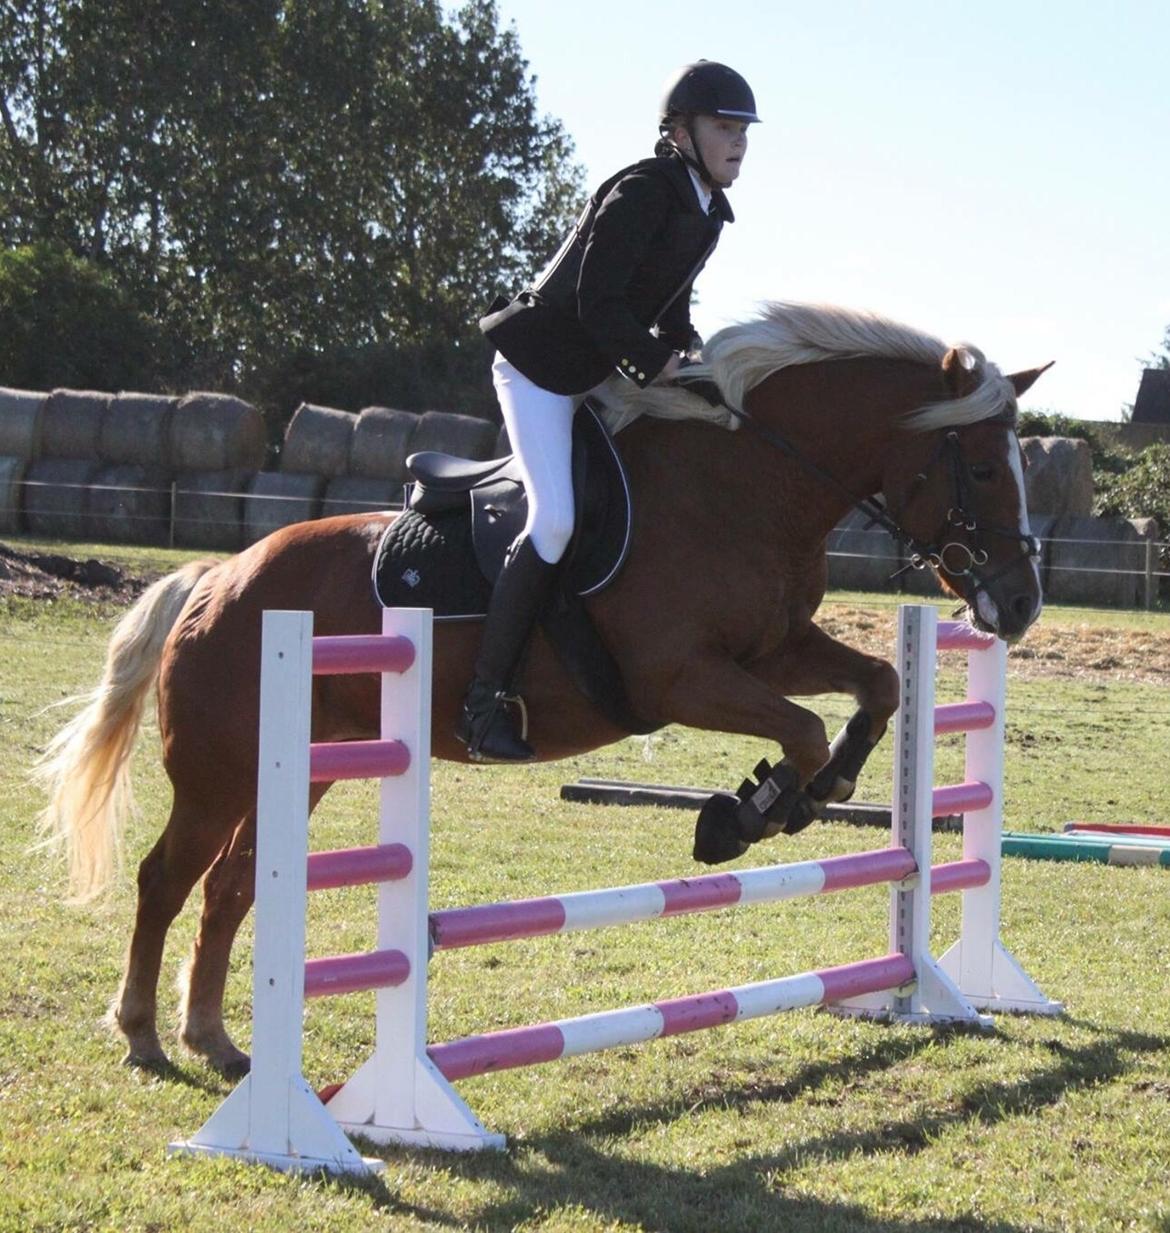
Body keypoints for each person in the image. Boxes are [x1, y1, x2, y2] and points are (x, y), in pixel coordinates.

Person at [458, 60, 760, 762]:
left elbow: (668, 305)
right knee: (555, 519)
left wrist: (692, 355)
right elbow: (599, 303)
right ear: (680, 132)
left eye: (744, 130)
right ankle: (482, 703)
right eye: (725, 128)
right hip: (539, 368)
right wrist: (659, 365)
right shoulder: (642, 190)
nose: (739, 142)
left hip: (595, 370)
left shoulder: (706, 210)